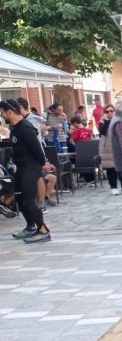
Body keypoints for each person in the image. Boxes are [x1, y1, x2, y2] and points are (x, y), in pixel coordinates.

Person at [1, 99, 52, 243]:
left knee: (29, 200)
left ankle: (43, 230)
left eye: (3, 112)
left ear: (10, 112)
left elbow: (36, 148)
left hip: (30, 168)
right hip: (20, 168)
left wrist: (44, 163)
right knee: (20, 199)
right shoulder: (15, 128)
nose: (2, 115)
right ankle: (30, 226)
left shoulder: (25, 128)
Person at [97, 104, 121, 195]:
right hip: (107, 147)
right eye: (107, 111)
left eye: (111, 111)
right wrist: (107, 121)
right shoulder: (102, 121)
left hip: (118, 145)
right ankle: (113, 187)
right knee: (110, 168)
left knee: (121, 167)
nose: (110, 113)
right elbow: (103, 132)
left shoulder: (118, 120)